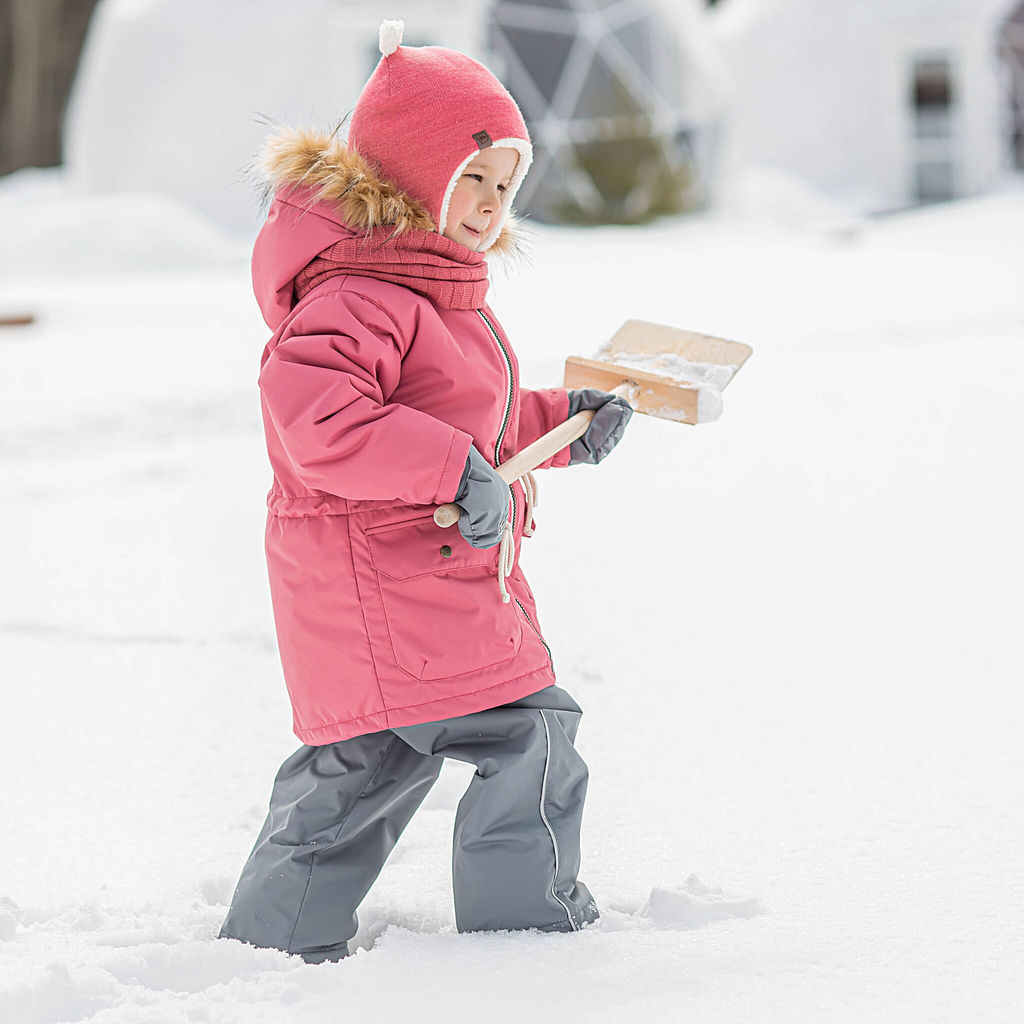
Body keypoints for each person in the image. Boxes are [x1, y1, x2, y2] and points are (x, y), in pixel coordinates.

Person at [219, 20, 633, 964]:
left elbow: (461, 417)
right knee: (527, 733)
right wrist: (451, 469)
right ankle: (526, 936)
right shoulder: (359, 294)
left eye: (505, 185)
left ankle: (274, 941)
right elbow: (318, 420)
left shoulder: (425, 286)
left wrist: (562, 423)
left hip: (402, 586)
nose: (489, 204)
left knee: (367, 763)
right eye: (470, 177)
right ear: (411, 173)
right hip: (390, 588)